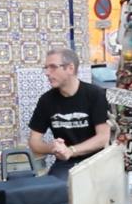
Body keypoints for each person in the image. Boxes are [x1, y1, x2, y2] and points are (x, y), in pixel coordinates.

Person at [28, 48, 111, 180]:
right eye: (46, 68)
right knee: (55, 191)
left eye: (53, 67)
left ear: (70, 68)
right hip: (65, 165)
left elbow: (103, 137)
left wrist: (71, 150)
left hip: (97, 161)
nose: (47, 73)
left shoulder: (95, 94)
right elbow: (34, 141)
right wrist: (54, 148)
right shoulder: (46, 100)